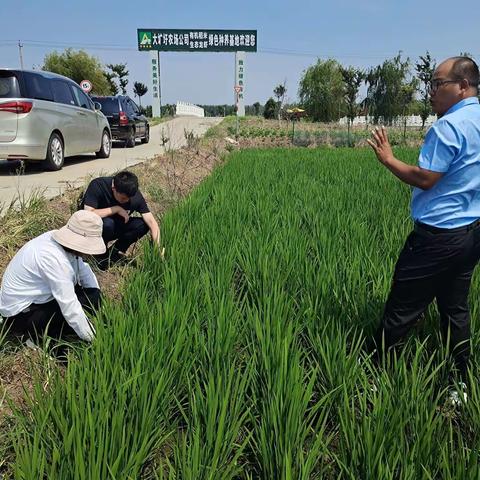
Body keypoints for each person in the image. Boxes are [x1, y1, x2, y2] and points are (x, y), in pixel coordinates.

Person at [367, 56, 480, 401]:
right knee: (455, 308)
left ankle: (375, 379)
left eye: (437, 84)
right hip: (472, 233)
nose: (430, 92)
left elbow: (425, 179)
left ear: (462, 86)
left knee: (402, 308)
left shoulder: (448, 127)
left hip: (437, 237)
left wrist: (388, 159)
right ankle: (462, 384)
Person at [0, 210, 105, 342]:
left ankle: (64, 328)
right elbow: (69, 306)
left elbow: (85, 270)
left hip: (38, 300)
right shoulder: (54, 259)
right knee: (75, 310)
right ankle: (34, 336)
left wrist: (98, 299)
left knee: (93, 297)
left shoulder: (61, 243)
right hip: (21, 316)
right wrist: (95, 339)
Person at [80, 171, 160, 269]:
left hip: (117, 226)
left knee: (143, 224)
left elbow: (152, 222)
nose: (126, 201)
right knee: (108, 223)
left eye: (128, 198)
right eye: (123, 198)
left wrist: (157, 248)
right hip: (93, 229)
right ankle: (100, 254)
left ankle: (114, 252)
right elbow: (88, 213)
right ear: (113, 188)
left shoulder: (134, 196)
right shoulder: (98, 185)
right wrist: (116, 209)